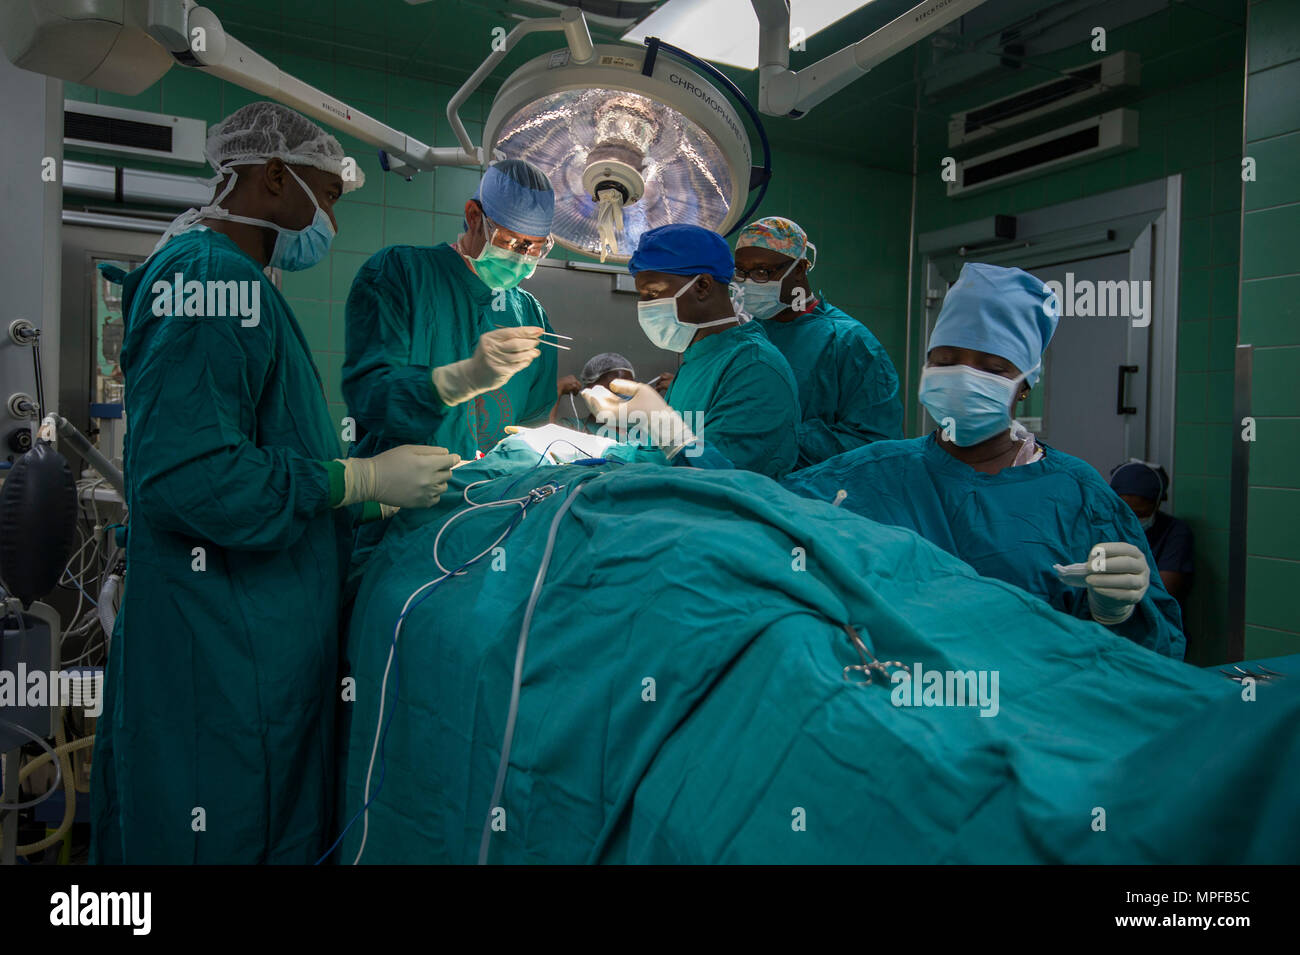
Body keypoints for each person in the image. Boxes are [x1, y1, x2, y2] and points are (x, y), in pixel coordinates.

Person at [90, 103, 458, 864]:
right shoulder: (207, 276)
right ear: (269, 178)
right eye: (325, 196)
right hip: (222, 647)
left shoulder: (237, 279)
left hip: (252, 637)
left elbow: (253, 442)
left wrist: (364, 498)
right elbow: (189, 478)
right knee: (219, 832)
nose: (328, 217)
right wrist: (352, 478)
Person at [783, 262, 1185, 658]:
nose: (962, 376)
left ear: (1025, 383)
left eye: (992, 368)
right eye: (944, 361)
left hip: (1030, 710)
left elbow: (1156, 655)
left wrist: (1116, 615)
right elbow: (758, 523)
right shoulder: (867, 476)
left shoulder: (1080, 496)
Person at [341, 159, 558, 570]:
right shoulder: (399, 274)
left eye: (536, 247)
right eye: (511, 241)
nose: (523, 257)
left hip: (493, 522)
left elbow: (533, 423)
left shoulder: (531, 313)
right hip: (400, 524)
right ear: (473, 216)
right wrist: (457, 381)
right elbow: (371, 400)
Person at [584, 223, 800, 480]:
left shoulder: (755, 368)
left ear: (703, 286)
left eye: (652, 293)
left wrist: (662, 422)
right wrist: (606, 455)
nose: (644, 306)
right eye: (641, 295)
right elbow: (666, 457)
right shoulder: (698, 360)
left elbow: (729, 482)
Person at [734, 216, 902, 467]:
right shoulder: (750, 335)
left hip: (819, 496)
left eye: (761, 272)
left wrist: (777, 436)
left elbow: (876, 443)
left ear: (799, 269)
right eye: (740, 272)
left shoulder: (848, 342)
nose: (748, 283)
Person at [1110, 461, 1194, 609]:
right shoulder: (1102, 527)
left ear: (1157, 504)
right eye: (1126, 512)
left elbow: (1163, 593)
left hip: (1154, 621)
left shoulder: (1174, 533)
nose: (1132, 520)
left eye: (1139, 513)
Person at [552, 352, 636, 432]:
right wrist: (558, 388)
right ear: (591, 388)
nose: (625, 393)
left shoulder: (639, 434)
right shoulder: (575, 427)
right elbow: (545, 438)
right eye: (617, 385)